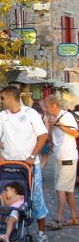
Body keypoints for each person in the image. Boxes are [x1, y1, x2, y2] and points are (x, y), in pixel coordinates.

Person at [0, 85, 49, 242]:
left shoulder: (30, 113)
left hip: (29, 165)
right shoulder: (3, 116)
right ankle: (7, 228)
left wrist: (32, 156)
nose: (1, 101)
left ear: (11, 97)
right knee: (6, 198)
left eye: (2, 98)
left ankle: (41, 233)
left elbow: (43, 135)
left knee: (35, 199)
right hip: (8, 166)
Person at [43, 95, 79, 229]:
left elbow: (76, 134)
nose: (45, 110)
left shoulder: (67, 116)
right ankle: (74, 217)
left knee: (60, 189)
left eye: (47, 107)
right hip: (59, 156)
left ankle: (59, 218)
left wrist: (59, 125)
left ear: (54, 106)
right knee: (67, 190)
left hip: (68, 157)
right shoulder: (52, 118)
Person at [31, 101, 51, 173]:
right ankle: (39, 171)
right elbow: (47, 130)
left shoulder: (30, 116)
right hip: (43, 140)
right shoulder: (43, 116)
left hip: (33, 140)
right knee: (44, 157)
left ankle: (34, 172)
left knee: (34, 157)